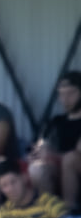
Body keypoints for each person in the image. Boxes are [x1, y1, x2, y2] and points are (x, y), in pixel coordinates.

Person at [28, 71, 81, 210]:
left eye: (71, 93)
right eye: (62, 94)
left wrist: (51, 155)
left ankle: (69, 211)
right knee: (37, 168)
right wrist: (37, 154)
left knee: (70, 159)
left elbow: (76, 157)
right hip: (56, 170)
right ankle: (49, 214)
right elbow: (41, 146)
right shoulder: (55, 122)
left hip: (75, 170)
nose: (65, 99)